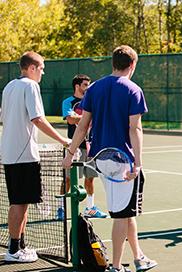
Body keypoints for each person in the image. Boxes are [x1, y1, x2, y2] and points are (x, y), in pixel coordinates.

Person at [62, 45, 157, 272]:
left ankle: (138, 257)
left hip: (102, 160)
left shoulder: (94, 88)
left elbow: (83, 125)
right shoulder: (133, 89)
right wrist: (138, 163)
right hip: (124, 161)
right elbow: (135, 130)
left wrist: (69, 153)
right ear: (132, 65)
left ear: (113, 63)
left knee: (126, 211)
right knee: (122, 216)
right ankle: (115, 267)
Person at [0, 51, 70, 263]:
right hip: (24, 155)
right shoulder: (31, 86)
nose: (43, 72)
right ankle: (13, 249)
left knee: (21, 202)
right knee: (20, 203)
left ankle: (19, 245)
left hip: (10, 154)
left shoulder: (9, 86)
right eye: (41, 68)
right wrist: (63, 140)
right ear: (31, 68)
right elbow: (38, 119)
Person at [58, 74, 107, 220]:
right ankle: (60, 208)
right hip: (75, 147)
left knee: (90, 178)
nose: (88, 87)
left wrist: (85, 116)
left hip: (91, 146)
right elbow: (70, 119)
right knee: (68, 180)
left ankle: (90, 208)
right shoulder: (68, 102)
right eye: (85, 84)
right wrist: (88, 116)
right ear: (77, 86)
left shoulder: (92, 101)